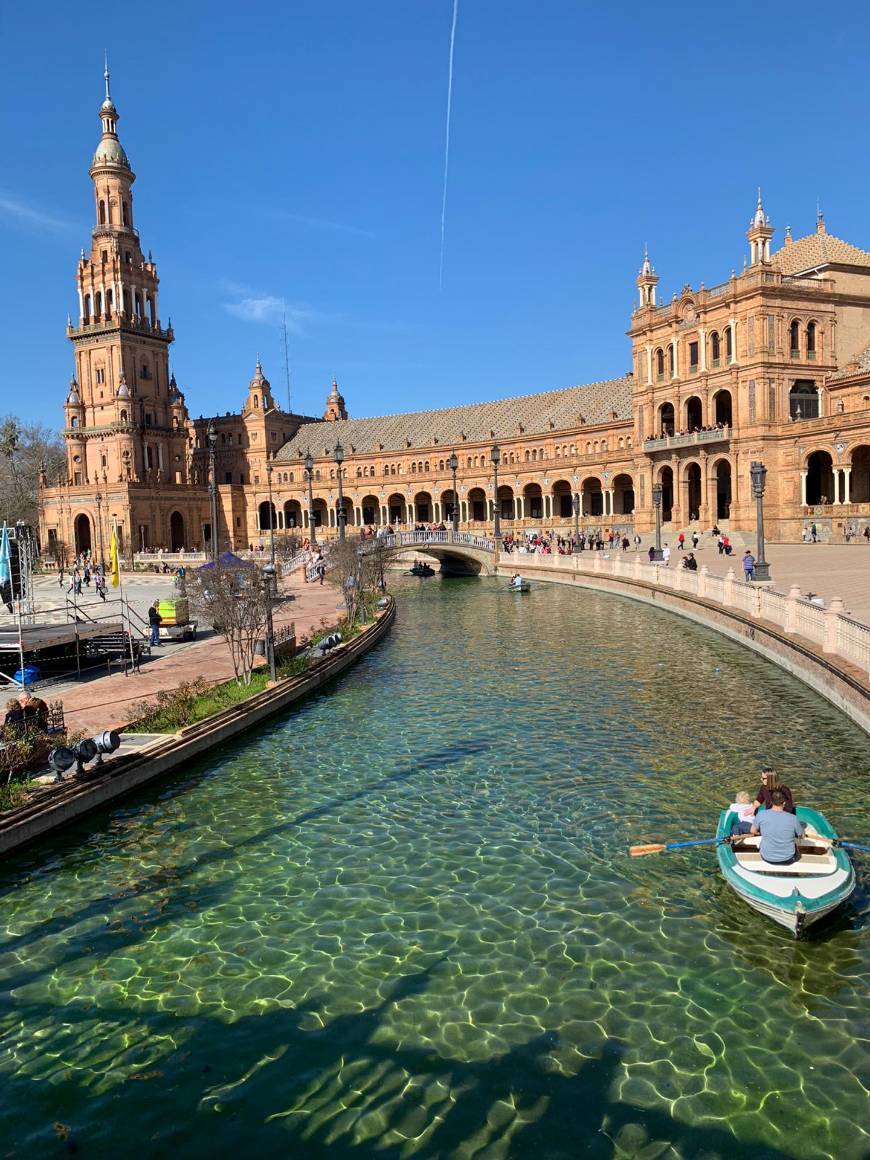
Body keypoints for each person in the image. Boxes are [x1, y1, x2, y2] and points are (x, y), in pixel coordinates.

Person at [751, 789, 805, 865]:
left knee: (762, 841)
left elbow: (753, 831)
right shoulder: (793, 818)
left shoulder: (761, 814)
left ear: (771, 802)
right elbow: (801, 836)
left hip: (767, 857)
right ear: (784, 803)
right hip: (788, 858)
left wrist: (761, 832)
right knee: (795, 843)